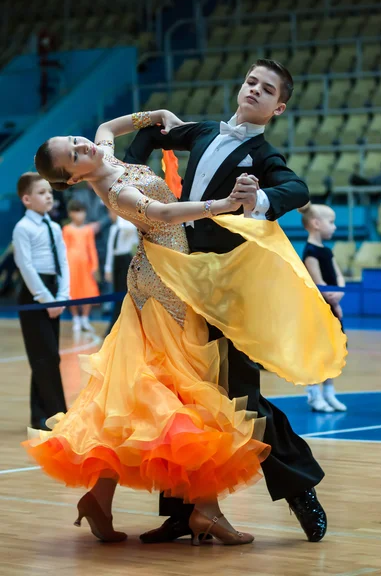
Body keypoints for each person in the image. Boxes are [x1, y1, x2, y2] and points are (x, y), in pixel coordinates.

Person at [24, 110, 346, 546]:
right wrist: (227, 204)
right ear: (75, 179)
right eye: (74, 154)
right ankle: (199, 512)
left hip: (203, 280)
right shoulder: (115, 188)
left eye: (73, 139)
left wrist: (152, 115)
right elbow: (163, 211)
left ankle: (114, 500)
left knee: (163, 394)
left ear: (277, 106)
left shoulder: (104, 149)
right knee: (186, 392)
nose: (81, 145)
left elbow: (113, 129)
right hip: (168, 287)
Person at [124, 59, 340, 543]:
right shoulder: (202, 131)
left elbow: (297, 188)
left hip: (227, 291)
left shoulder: (263, 156)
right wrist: (136, 177)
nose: (255, 91)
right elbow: (156, 136)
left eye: (267, 90)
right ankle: (183, 512)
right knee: (182, 396)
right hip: (177, 280)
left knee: (243, 399)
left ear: (278, 107)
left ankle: (298, 488)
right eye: (251, 82)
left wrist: (256, 200)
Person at [13, 172, 69, 430]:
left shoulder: (54, 226)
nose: (48, 196)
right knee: (44, 356)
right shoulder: (23, 228)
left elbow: (63, 263)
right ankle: (59, 413)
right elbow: (25, 266)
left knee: (47, 355)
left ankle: (39, 415)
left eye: (49, 191)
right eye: (41, 192)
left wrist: (63, 295)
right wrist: (45, 299)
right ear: (27, 199)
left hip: (54, 291)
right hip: (35, 294)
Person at [299, 203, 348, 413]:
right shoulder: (310, 252)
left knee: (332, 352)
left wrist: (338, 294)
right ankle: (314, 394)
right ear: (316, 224)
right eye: (331, 222)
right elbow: (320, 284)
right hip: (318, 312)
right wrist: (334, 301)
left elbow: (339, 278)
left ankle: (329, 392)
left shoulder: (327, 251)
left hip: (332, 310)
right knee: (317, 354)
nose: (335, 227)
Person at [63, 199, 99, 333]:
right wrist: (64, 266)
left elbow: (92, 249)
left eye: (82, 212)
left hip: (85, 265)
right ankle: (75, 318)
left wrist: (95, 266)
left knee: (88, 291)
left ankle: (85, 317)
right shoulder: (67, 229)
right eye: (77, 212)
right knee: (73, 291)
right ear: (70, 214)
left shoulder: (88, 230)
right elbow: (64, 248)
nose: (80, 215)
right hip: (71, 265)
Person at [104, 210, 139, 333]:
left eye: (112, 213)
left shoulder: (126, 226)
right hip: (116, 262)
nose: (110, 215)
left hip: (126, 260)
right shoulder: (114, 229)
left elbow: (129, 228)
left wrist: (121, 215)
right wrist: (107, 269)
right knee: (117, 293)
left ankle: (126, 326)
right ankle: (115, 326)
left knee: (126, 293)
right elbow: (110, 250)